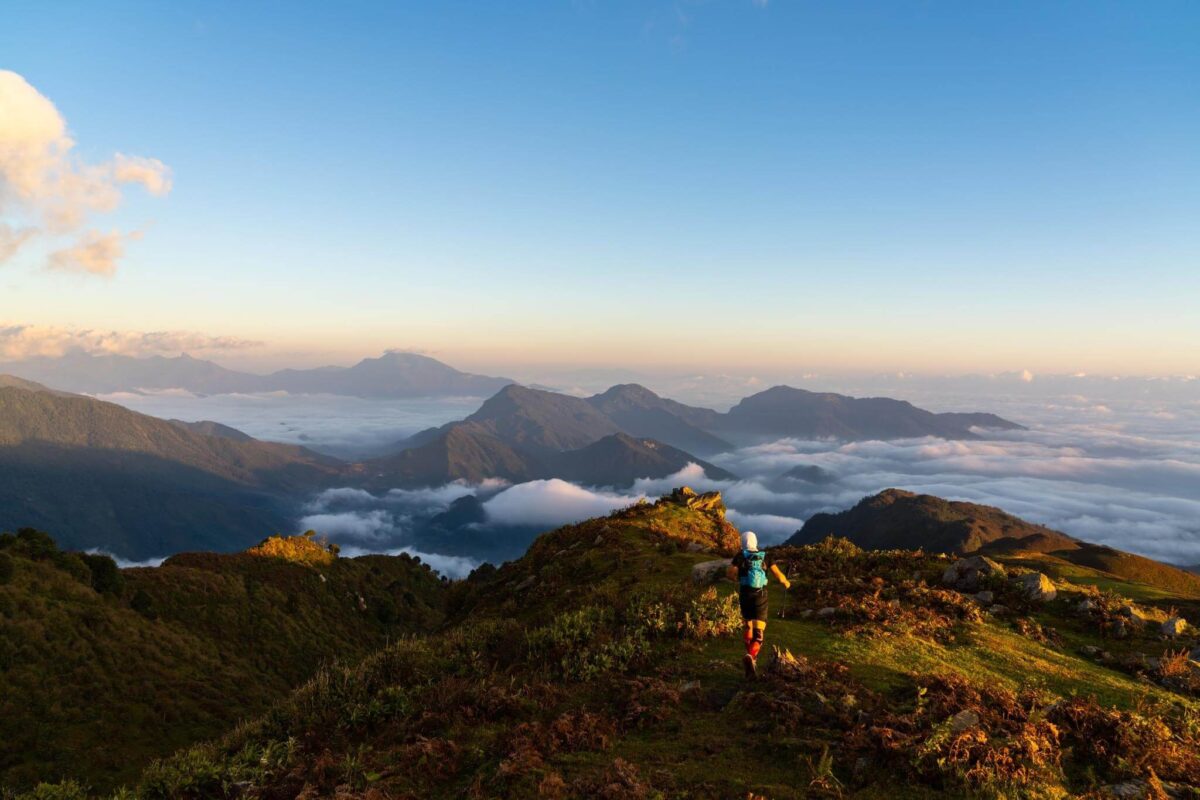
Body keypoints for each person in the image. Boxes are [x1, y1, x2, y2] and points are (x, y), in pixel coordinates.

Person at [728, 531, 791, 679]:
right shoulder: (766, 557)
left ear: (743, 541)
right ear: (755, 541)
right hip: (760, 596)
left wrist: (739, 580)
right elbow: (779, 575)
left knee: (748, 625)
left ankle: (751, 659)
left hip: (745, 594)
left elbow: (729, 573)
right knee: (759, 634)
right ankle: (752, 656)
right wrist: (786, 583)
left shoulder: (740, 556)